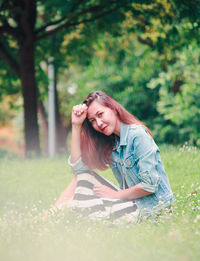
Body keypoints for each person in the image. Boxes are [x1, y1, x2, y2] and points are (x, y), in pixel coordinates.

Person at [52, 91, 174, 223]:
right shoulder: (111, 142)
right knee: (81, 178)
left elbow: (150, 185)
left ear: (113, 109)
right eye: (92, 120)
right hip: (131, 204)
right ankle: (47, 216)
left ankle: (45, 218)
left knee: (74, 205)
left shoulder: (137, 136)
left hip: (151, 211)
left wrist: (115, 195)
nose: (98, 123)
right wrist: (76, 125)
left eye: (100, 114)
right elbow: (79, 169)